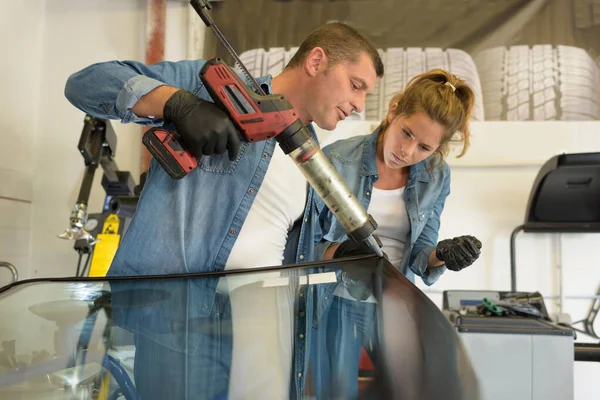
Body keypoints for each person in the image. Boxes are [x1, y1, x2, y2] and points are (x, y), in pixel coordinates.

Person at [64, 22, 384, 400]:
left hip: (264, 325)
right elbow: (85, 84)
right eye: (356, 85)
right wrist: (177, 104)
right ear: (317, 61)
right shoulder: (213, 86)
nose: (360, 105)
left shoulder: (309, 155)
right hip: (185, 319)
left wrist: (335, 255)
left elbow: (286, 248)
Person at [310, 69, 483, 399]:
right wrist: (340, 254)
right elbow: (301, 247)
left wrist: (444, 254)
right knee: (335, 393)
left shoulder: (435, 175)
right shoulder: (336, 159)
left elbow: (421, 255)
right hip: (335, 300)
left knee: (414, 391)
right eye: (405, 133)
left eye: (424, 147)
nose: (407, 151)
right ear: (394, 109)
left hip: (396, 300)